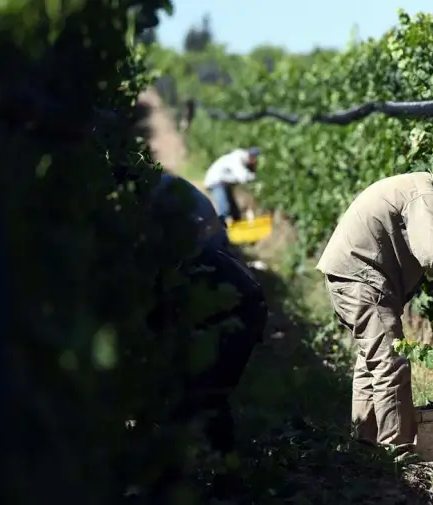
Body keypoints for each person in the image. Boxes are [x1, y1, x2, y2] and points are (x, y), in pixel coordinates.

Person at [315, 160, 433, 451]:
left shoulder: (416, 186)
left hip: (349, 275)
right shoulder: (425, 195)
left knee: (371, 361)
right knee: (390, 362)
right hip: (362, 280)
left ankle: (365, 444)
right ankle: (396, 449)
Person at [146, 172, 269, 501]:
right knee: (193, 393)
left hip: (239, 311)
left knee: (206, 394)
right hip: (224, 306)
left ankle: (223, 481)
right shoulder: (164, 220)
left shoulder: (164, 245)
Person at [203, 147, 261, 224]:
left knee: (234, 210)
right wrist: (256, 177)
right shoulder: (237, 158)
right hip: (215, 182)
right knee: (224, 208)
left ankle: (238, 229)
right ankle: (221, 229)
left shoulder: (241, 159)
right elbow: (242, 177)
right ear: (252, 157)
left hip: (223, 183)